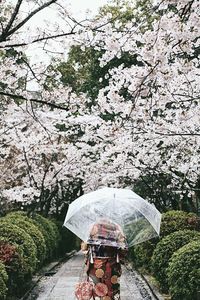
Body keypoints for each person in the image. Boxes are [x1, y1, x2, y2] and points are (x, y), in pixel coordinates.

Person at [85, 219, 128, 300]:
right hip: (112, 267)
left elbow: (84, 248)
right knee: (112, 292)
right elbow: (124, 250)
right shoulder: (116, 227)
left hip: (95, 266)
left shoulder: (92, 227)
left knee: (97, 292)